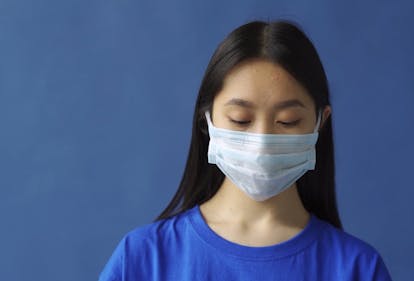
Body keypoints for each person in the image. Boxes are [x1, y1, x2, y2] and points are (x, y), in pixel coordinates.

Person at [99, 20, 392, 281]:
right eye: (241, 120)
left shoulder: (357, 268)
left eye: (287, 121)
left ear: (320, 122)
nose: (261, 141)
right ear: (208, 119)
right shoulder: (142, 259)